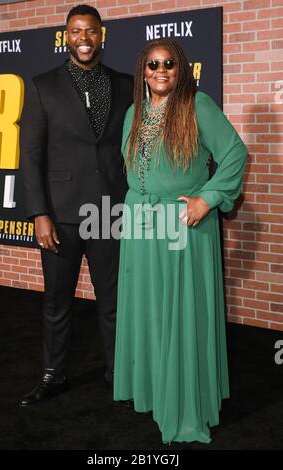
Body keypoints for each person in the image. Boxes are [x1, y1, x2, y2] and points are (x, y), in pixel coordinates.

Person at [113, 38, 248, 443]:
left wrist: (207, 199)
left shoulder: (197, 105)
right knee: (150, 309)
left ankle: (185, 403)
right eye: (152, 64)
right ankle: (155, 390)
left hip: (182, 224)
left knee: (179, 312)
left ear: (181, 67)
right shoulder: (134, 112)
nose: (160, 70)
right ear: (143, 69)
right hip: (140, 222)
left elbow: (235, 154)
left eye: (168, 63)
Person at [19, 4, 133, 406]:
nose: (83, 38)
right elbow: (30, 155)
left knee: (115, 301)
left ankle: (119, 372)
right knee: (57, 300)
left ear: (102, 36)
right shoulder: (42, 85)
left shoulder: (126, 85)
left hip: (110, 213)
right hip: (61, 215)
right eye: (75, 31)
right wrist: (39, 214)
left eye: (90, 31)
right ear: (65, 36)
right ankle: (54, 374)